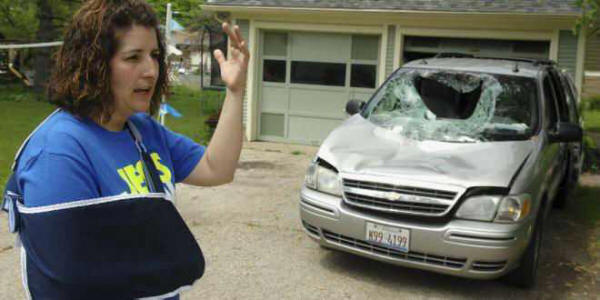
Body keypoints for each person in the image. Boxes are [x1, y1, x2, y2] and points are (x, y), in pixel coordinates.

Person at [1, 0, 249, 299]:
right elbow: (70, 281)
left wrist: (235, 92)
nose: (151, 70)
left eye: (155, 55)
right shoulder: (59, 153)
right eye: (133, 57)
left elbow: (217, 168)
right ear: (94, 64)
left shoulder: (143, 130)